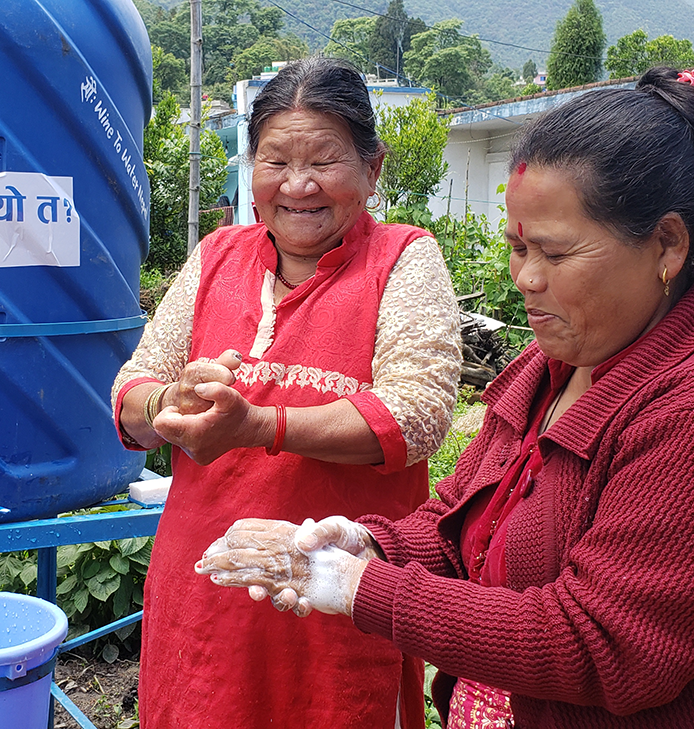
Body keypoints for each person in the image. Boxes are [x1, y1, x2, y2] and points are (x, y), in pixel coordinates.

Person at [197, 66, 694, 728]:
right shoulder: (551, 368)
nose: (524, 278)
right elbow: (461, 522)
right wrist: (367, 544)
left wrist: (360, 587)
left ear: (667, 244)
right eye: (516, 246)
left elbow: (598, 644)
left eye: (553, 254)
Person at [112, 57, 462, 728]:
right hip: (203, 599)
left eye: (324, 161)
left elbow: (415, 415)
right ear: (251, 170)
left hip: (333, 600)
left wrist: (259, 425)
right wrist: (168, 405)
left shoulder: (403, 258)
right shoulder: (217, 255)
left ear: (372, 168)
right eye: (275, 162)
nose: (298, 185)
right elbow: (133, 388)